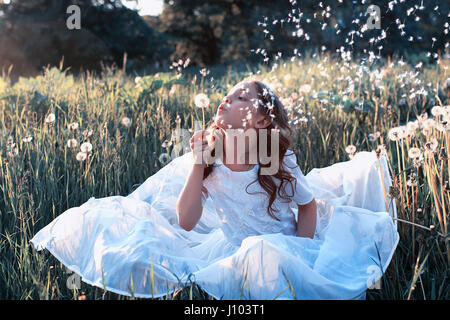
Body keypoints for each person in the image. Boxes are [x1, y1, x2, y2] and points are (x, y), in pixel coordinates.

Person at [30, 79, 399, 300]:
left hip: (284, 241)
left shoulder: (273, 159)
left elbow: (307, 207)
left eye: (240, 97)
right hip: (230, 244)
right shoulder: (212, 159)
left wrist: (301, 251)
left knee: (274, 262)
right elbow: (187, 222)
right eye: (229, 94)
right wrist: (197, 164)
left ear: (261, 118)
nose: (227, 99)